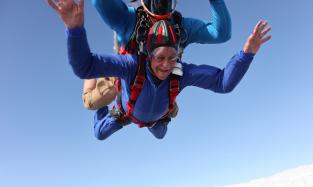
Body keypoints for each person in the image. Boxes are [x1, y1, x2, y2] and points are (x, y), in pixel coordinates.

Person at [48, 0, 272, 140]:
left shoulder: (180, 41)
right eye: (160, 58)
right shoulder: (131, 28)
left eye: (171, 57)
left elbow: (222, 51)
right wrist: (74, 28)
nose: (166, 64)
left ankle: (156, 111)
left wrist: (247, 53)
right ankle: (97, 85)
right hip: (126, 97)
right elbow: (85, 62)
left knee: (161, 131)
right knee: (96, 119)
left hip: (159, 104)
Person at [82, 0, 232, 111]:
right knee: (90, 101)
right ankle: (93, 68)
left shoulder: (181, 27)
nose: (160, 5)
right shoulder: (129, 20)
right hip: (126, 76)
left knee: (170, 112)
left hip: (160, 82)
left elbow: (221, 34)